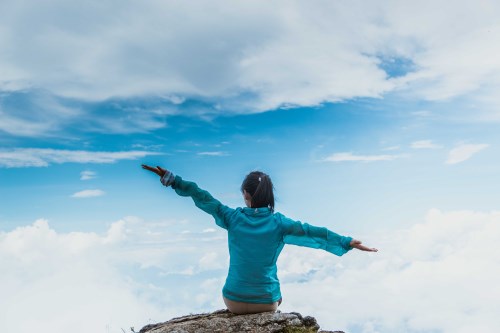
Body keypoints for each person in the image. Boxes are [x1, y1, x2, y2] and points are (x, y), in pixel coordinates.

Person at [142, 165, 378, 315]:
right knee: (279, 295)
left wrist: (173, 180)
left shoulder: (231, 217)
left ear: (246, 195)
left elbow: (202, 197)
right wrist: (347, 242)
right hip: (267, 302)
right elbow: (314, 232)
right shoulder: (280, 224)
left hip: (232, 300)